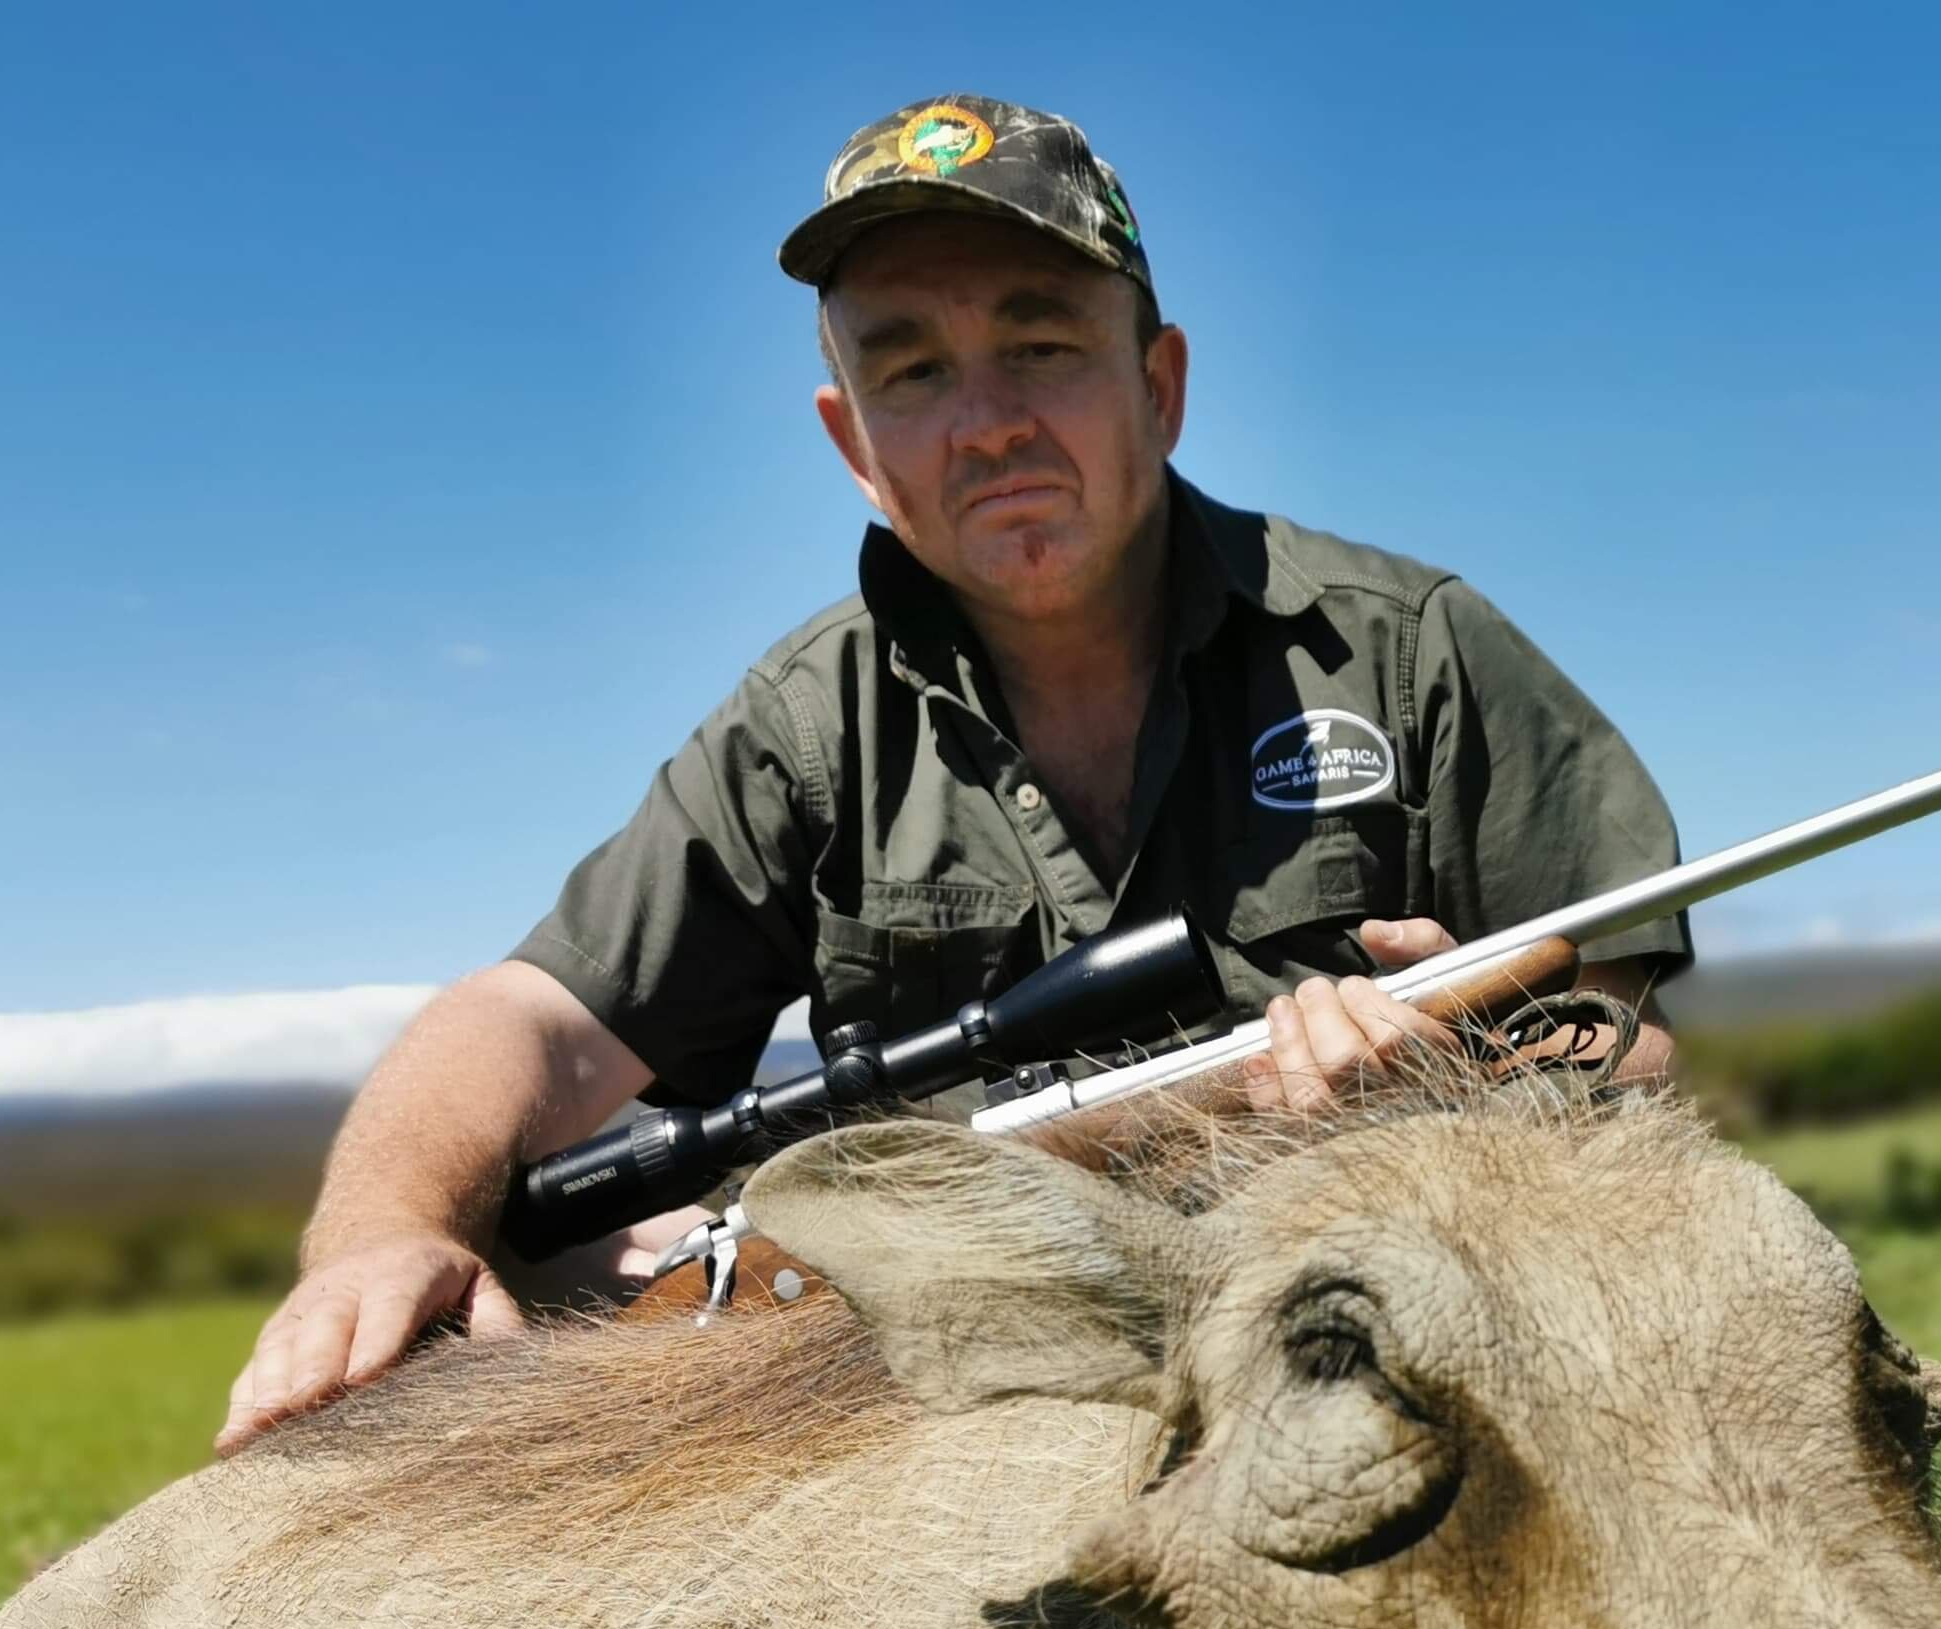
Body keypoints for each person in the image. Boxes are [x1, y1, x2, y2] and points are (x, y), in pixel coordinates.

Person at [219, 94, 1687, 1453]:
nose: (986, 421)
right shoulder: (802, 729)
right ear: (855, 445)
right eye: (911, 370)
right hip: (946, 1402)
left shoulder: (1410, 651)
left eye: (1041, 343)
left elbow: (1623, 1043)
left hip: (1372, 1339)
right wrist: (379, 1240)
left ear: (1159, 383)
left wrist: (1477, 1084)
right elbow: (530, 1020)